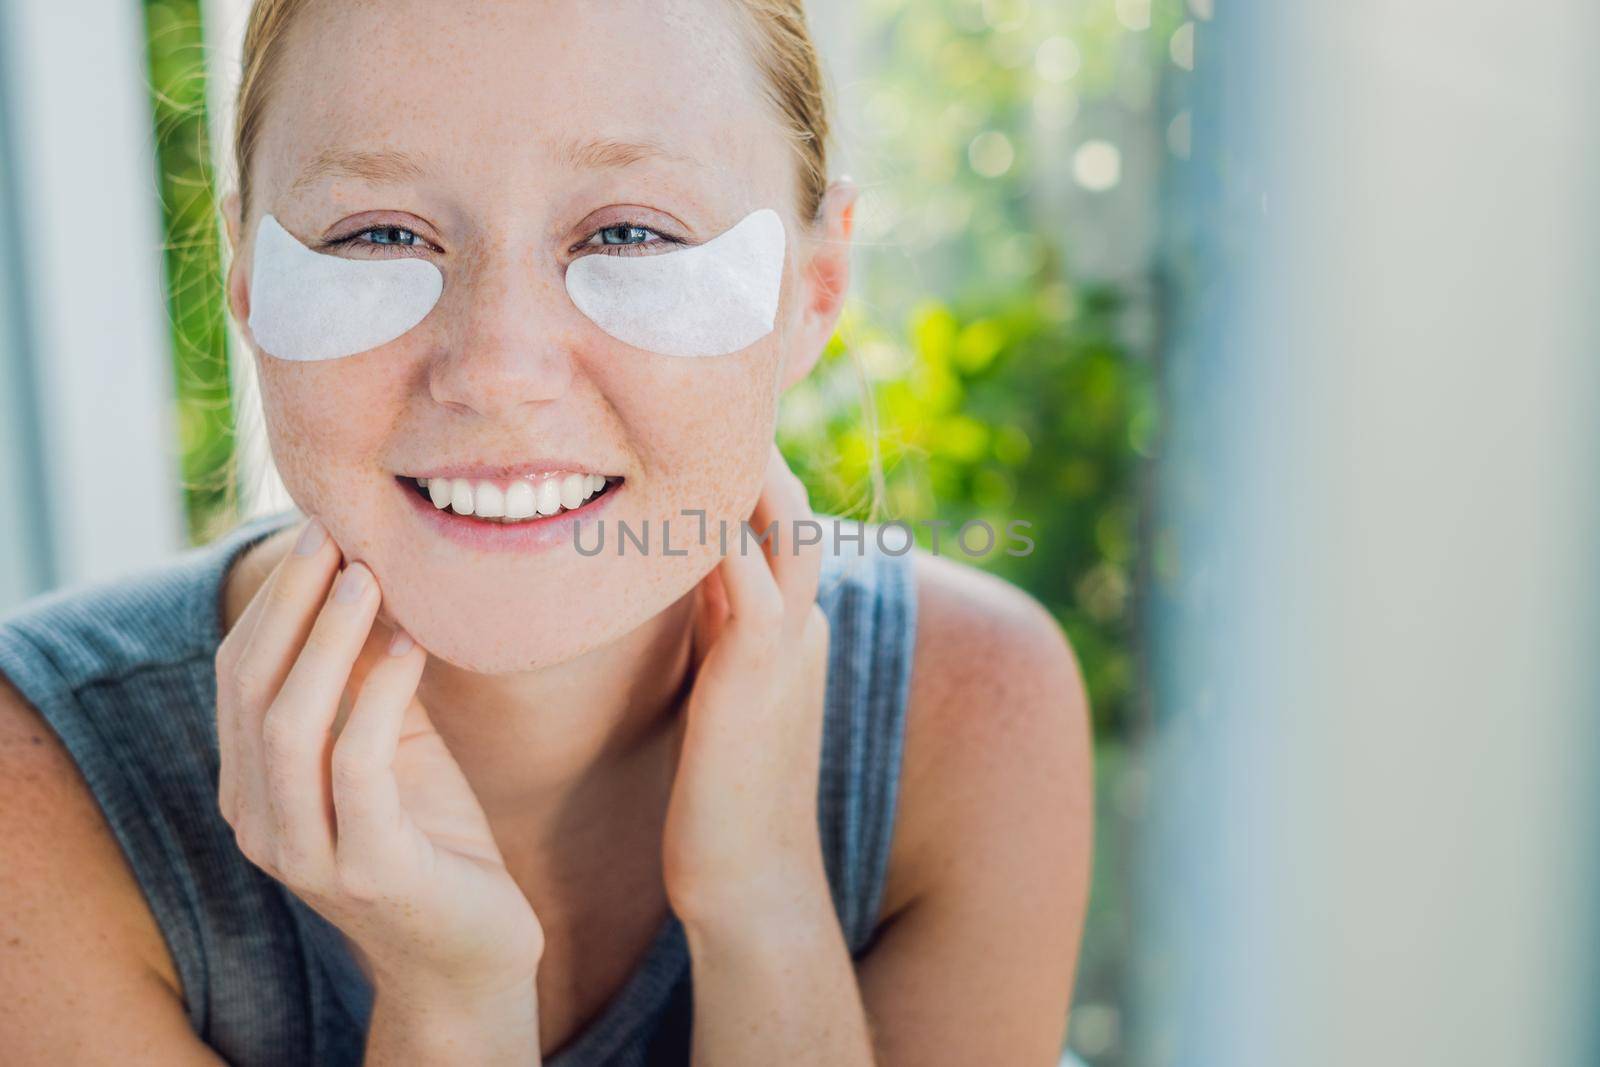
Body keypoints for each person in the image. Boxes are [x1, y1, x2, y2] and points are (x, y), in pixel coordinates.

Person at [0, 0, 1091, 1063]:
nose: (494, 368)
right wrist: (448, 999)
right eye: (377, 233)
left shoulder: (973, 707)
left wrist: (763, 906)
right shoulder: (32, 784)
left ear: (814, 289)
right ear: (245, 275)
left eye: (628, 230)